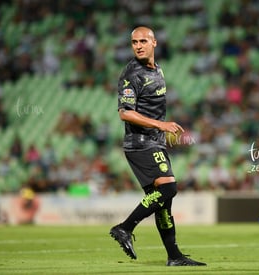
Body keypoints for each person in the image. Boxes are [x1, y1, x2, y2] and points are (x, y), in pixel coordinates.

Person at [109, 26, 206, 266]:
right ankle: (124, 227)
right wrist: (161, 125)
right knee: (168, 189)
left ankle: (174, 256)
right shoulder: (131, 74)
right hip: (140, 143)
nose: (138, 45)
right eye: (134, 42)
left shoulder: (157, 69)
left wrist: (160, 132)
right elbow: (125, 113)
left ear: (154, 43)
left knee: (163, 204)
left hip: (154, 142)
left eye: (143, 41)